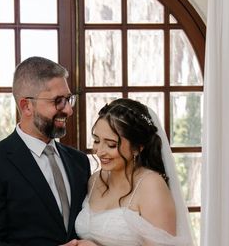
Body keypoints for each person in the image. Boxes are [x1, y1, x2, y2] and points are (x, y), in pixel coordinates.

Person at [0, 56, 91, 246]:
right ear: (26, 106)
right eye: (58, 101)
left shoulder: (79, 161)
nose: (69, 110)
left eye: (69, 99)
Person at [66, 98, 195, 246]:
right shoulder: (95, 180)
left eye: (111, 144)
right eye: (96, 141)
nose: (99, 151)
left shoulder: (151, 186)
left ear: (137, 147)